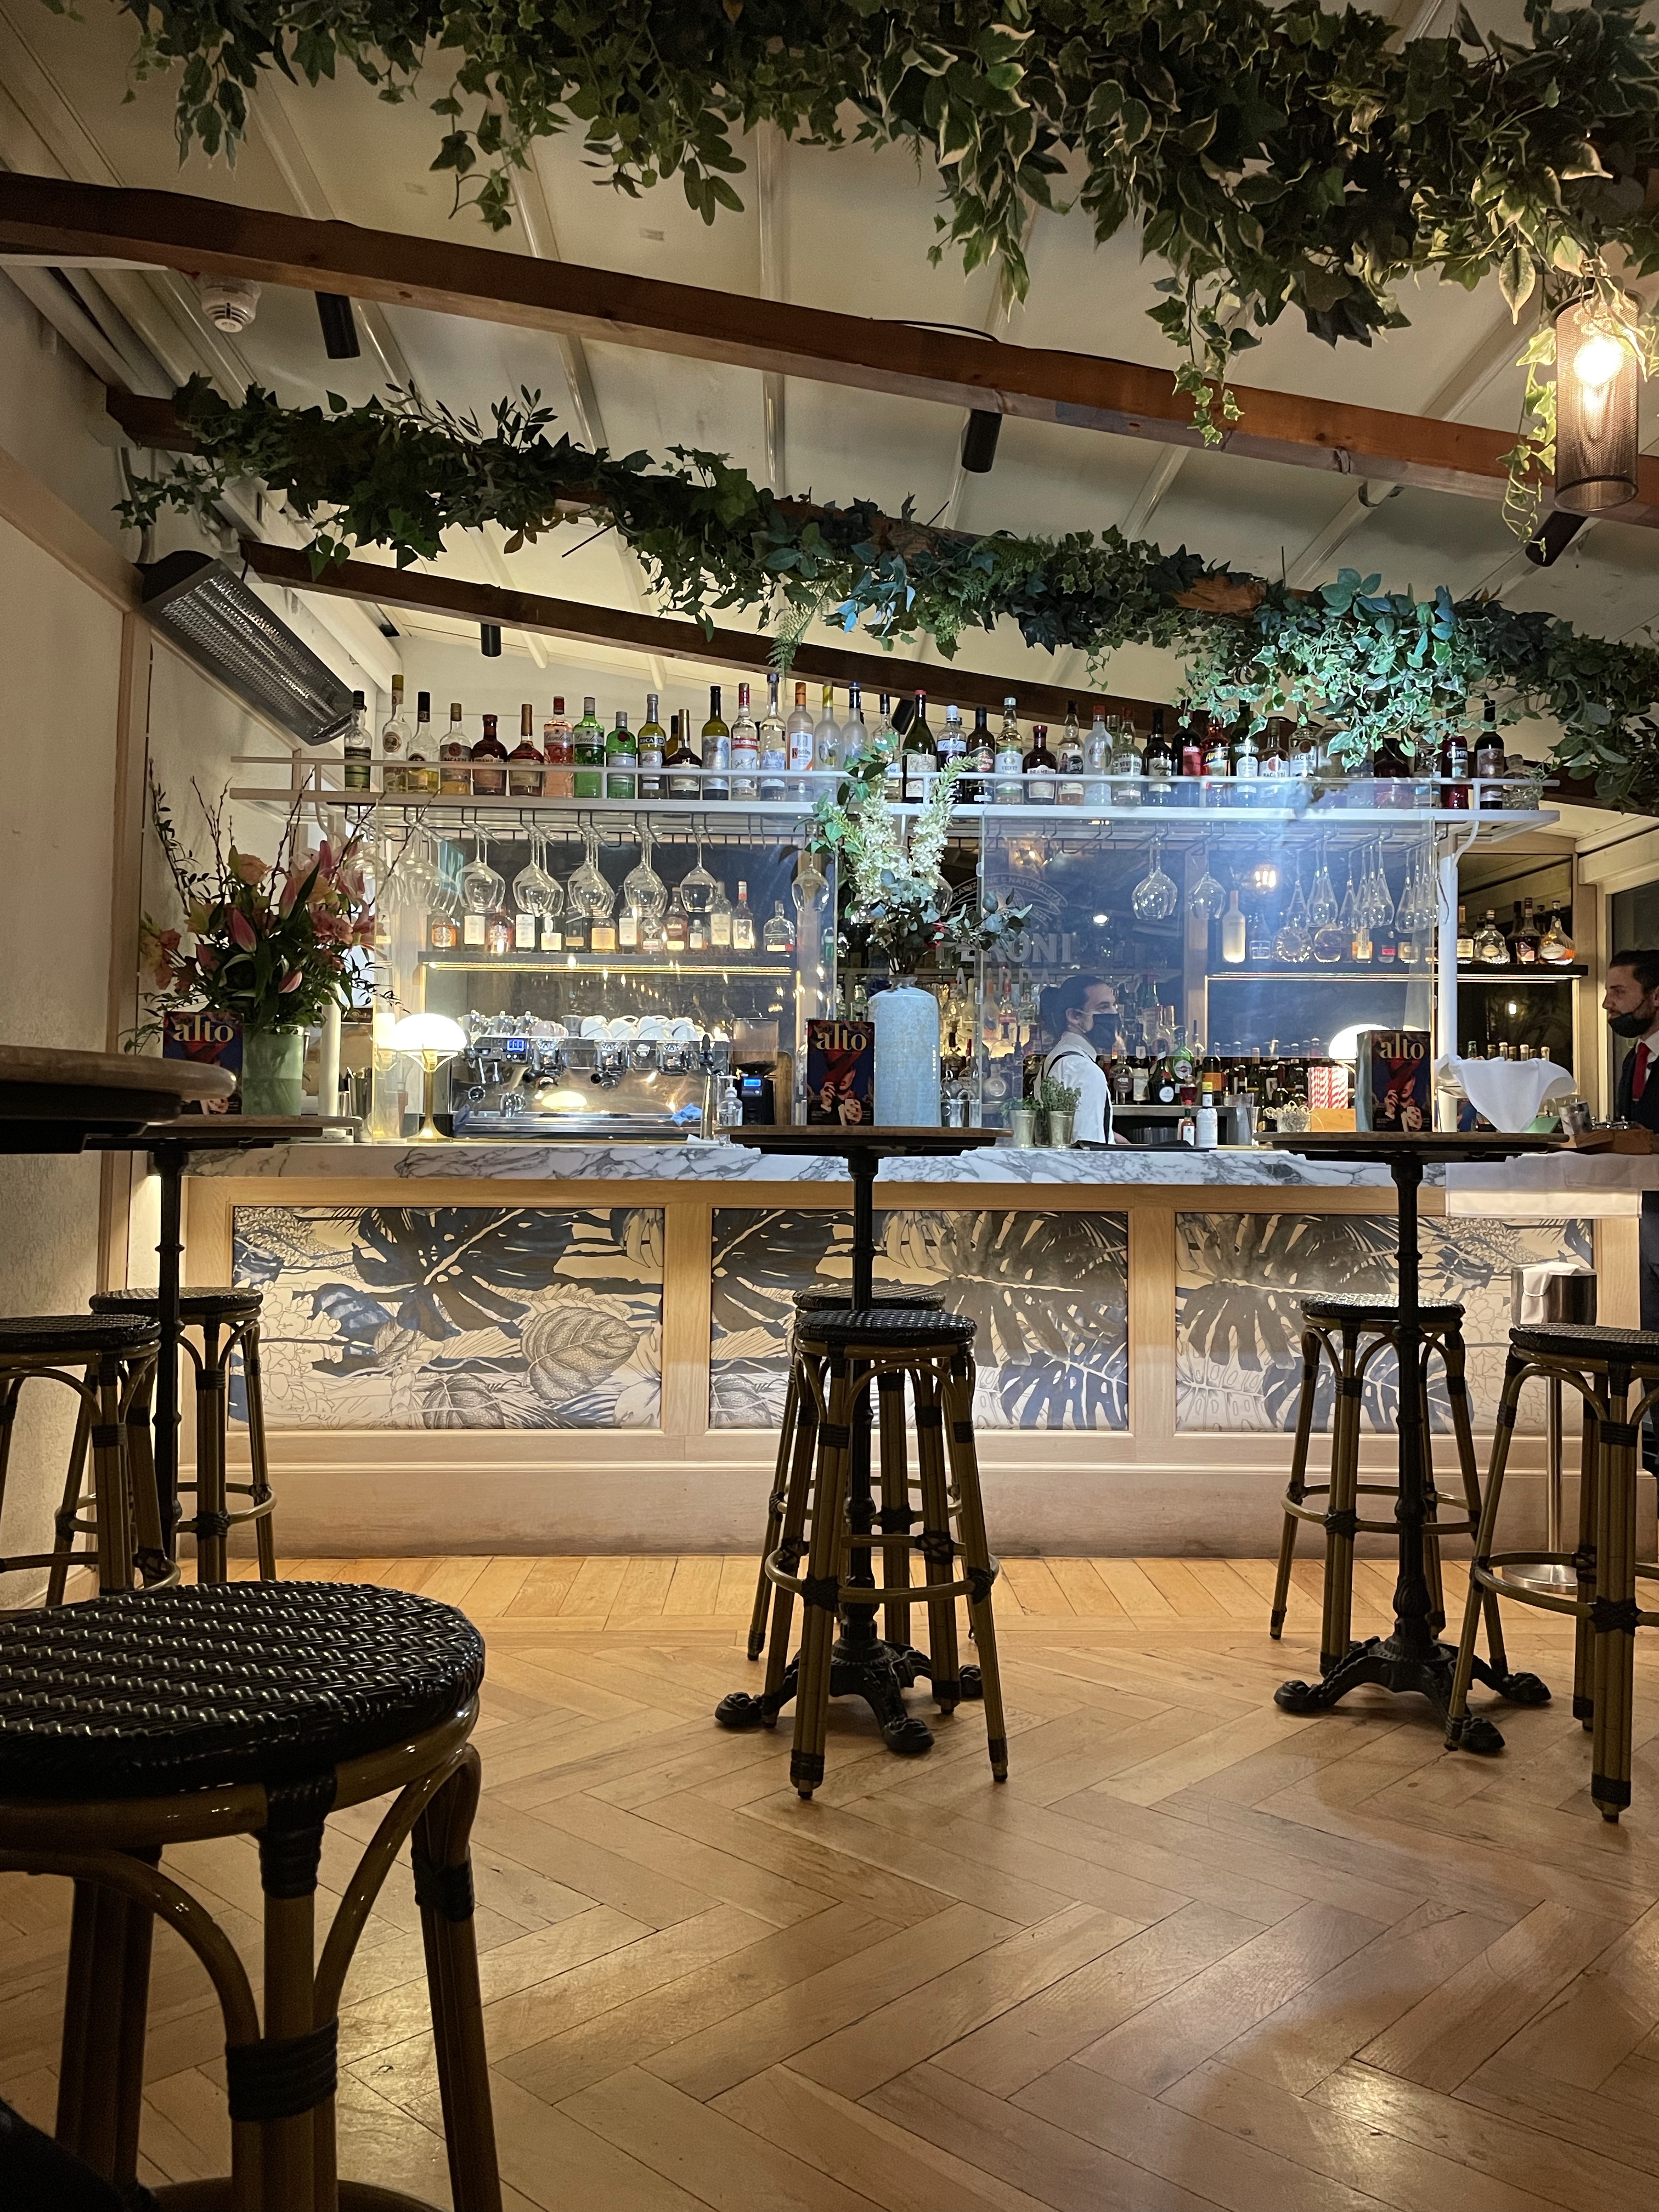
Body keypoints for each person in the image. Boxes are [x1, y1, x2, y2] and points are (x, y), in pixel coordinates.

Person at [1605, 949, 1659, 1469]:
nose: (1607, 1004)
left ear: (1656, 996)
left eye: (1619, 992)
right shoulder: (1633, 1060)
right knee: (1649, 1343)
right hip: (1640, 1222)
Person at [1037, 975, 1118, 1144]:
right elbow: (1088, 1147)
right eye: (1104, 1007)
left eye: (1114, 1005)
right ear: (1075, 1016)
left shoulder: (1059, 1057)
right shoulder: (1084, 1070)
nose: (1114, 1014)